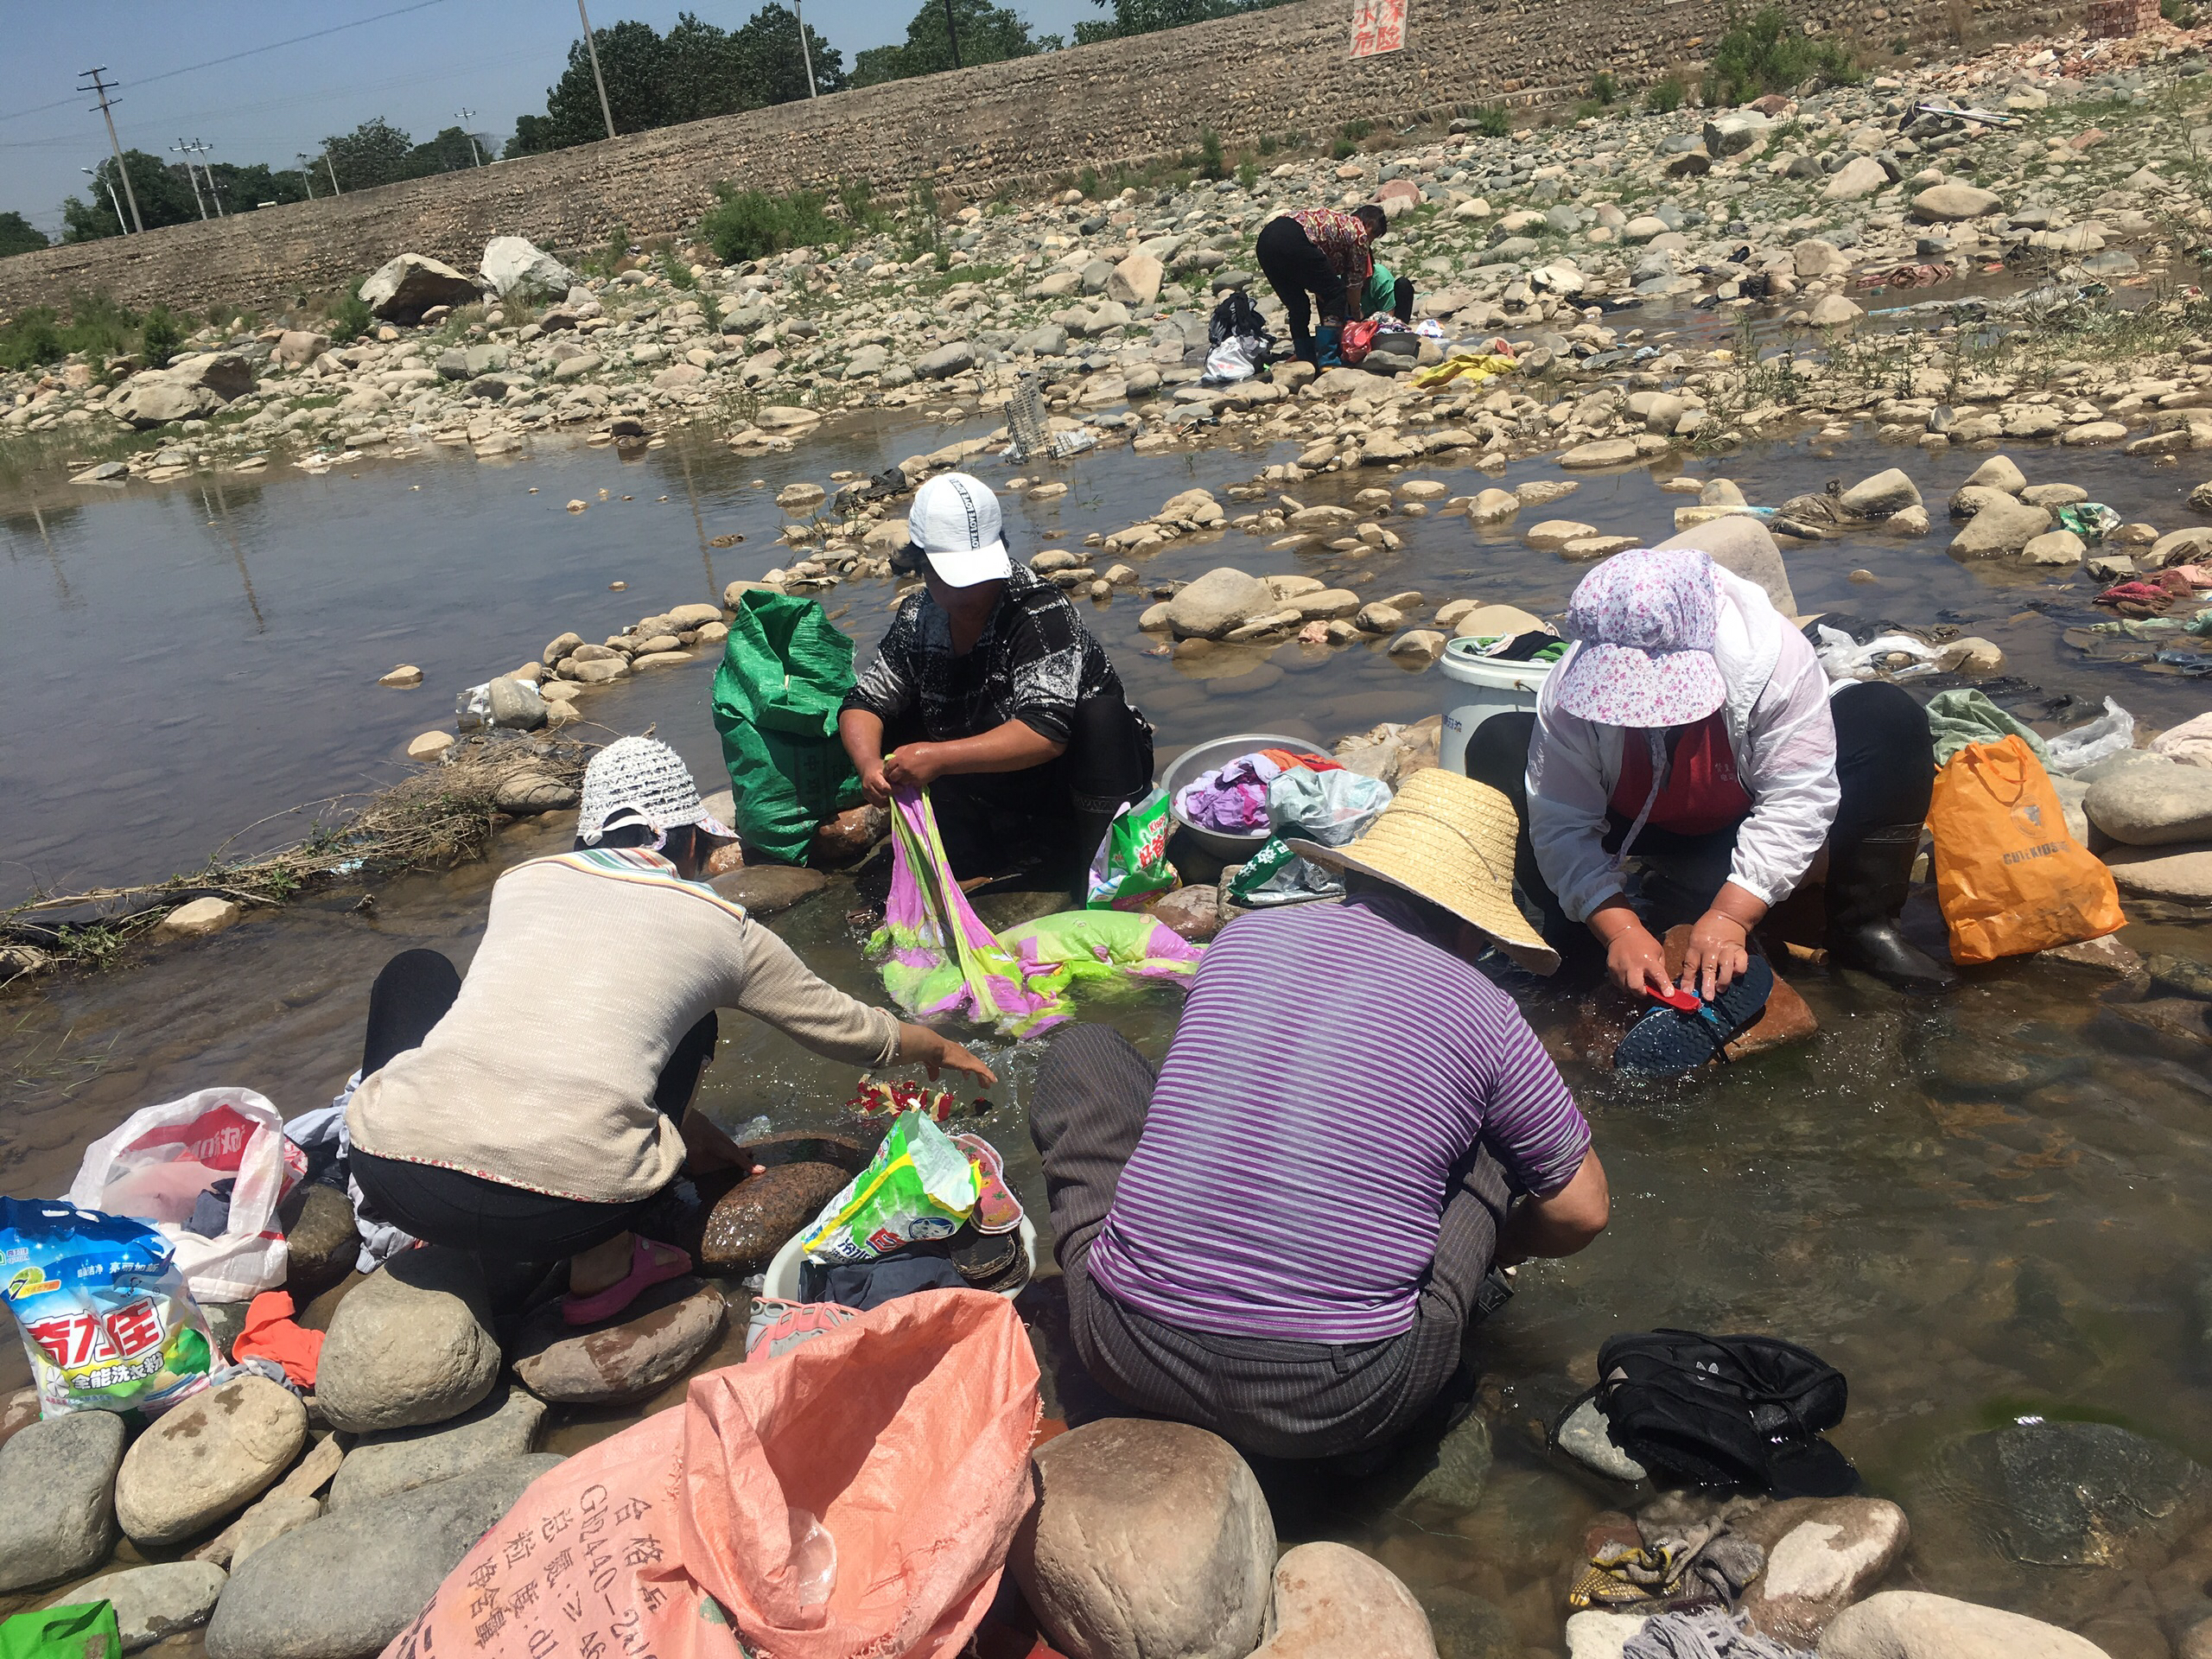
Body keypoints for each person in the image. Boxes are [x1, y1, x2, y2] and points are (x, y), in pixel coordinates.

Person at [1028, 768, 1609, 1463]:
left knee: (1085, 1048)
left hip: (1123, 1346)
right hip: (1337, 1400)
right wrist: (1495, 1248)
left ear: (1355, 878)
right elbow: (1582, 1210)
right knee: (1490, 1139)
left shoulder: (1240, 943)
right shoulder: (1487, 1012)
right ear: (1474, 931)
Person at [345, 736, 995, 1325]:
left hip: (396, 1182)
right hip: (570, 1211)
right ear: (692, 843)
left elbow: (562, 1023)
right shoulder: (721, 927)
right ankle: (604, 1268)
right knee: (693, 1019)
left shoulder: (521, 882)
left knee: (417, 972)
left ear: (585, 838)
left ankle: (424, 1194)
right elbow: (850, 1032)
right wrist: (937, 1043)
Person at [1465, 545, 1955, 995]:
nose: (1647, 712)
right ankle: (1574, 939)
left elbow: (1796, 798)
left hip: (1737, 819)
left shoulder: (1772, 657)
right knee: (1498, 741)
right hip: (1635, 831)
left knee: (1888, 716)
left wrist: (1730, 915)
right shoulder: (1569, 688)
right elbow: (1561, 824)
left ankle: (1862, 928)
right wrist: (1621, 928)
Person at [839, 472, 1153, 887]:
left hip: (1078, 776)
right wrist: (868, 765)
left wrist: (938, 758)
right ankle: (977, 847)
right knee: (896, 720)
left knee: (1101, 715)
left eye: (980, 572)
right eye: (955, 576)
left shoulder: (1039, 610)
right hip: (996, 784)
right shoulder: (918, 618)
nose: (974, 589)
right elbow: (864, 701)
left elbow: (1046, 732)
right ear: (923, 567)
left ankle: (1099, 868)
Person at [1254, 203, 1388, 367]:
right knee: (1336, 293)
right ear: (1369, 225)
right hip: (1294, 238)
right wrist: (1356, 313)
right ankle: (1328, 361)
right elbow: (1354, 284)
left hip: (1266, 241)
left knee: (1298, 305)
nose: (1370, 243)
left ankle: (1305, 359)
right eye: (1374, 237)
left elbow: (1318, 276)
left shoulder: (1335, 224)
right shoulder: (1359, 233)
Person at [1363, 258, 1414, 325]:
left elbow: (1388, 317)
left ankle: (1402, 326)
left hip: (1388, 316)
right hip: (1365, 316)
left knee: (1403, 284)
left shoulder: (1380, 278)